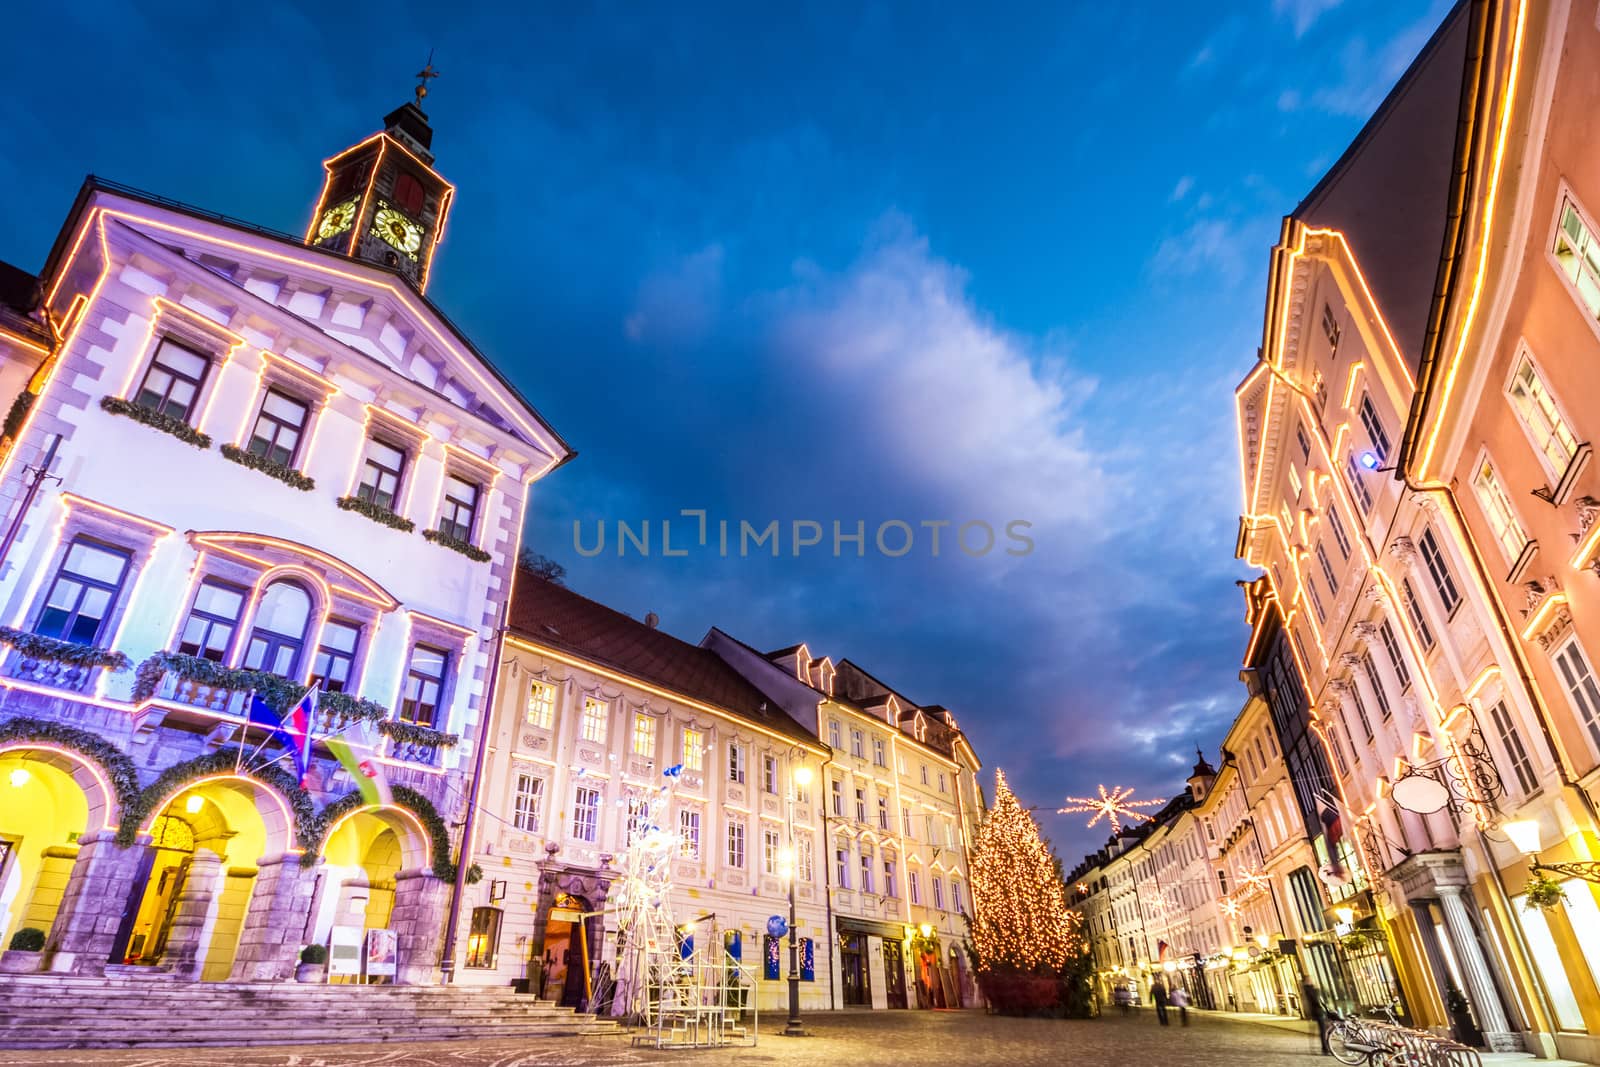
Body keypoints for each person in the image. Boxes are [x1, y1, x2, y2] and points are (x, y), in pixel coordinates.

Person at [1302, 979, 1331, 1056]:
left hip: (1316, 1013)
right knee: (1323, 1031)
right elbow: (1316, 1001)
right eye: (1310, 980)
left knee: (1324, 1030)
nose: (1312, 981)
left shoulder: (1307, 990)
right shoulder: (1311, 990)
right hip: (1318, 1013)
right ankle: (1325, 1048)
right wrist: (1317, 989)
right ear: (1307, 981)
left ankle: (1326, 1047)